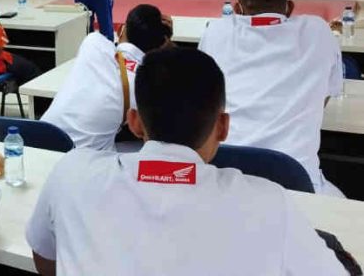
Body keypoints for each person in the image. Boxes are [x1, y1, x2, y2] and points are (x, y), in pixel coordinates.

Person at [26, 47, 347, 276]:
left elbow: (45, 260)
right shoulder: (271, 204)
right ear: (223, 127)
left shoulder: (71, 175)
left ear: (135, 123)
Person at [198, 0, 344, 196]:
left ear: (236, 8)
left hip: (224, 177)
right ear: (290, 7)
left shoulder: (216, 31)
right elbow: (322, 100)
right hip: (297, 184)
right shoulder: (319, 32)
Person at [41, 4, 172, 150]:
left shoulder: (93, 43)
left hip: (39, 141)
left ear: (121, 29)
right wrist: (167, 45)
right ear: (160, 45)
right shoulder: (143, 84)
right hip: (85, 163)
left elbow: (116, 51)